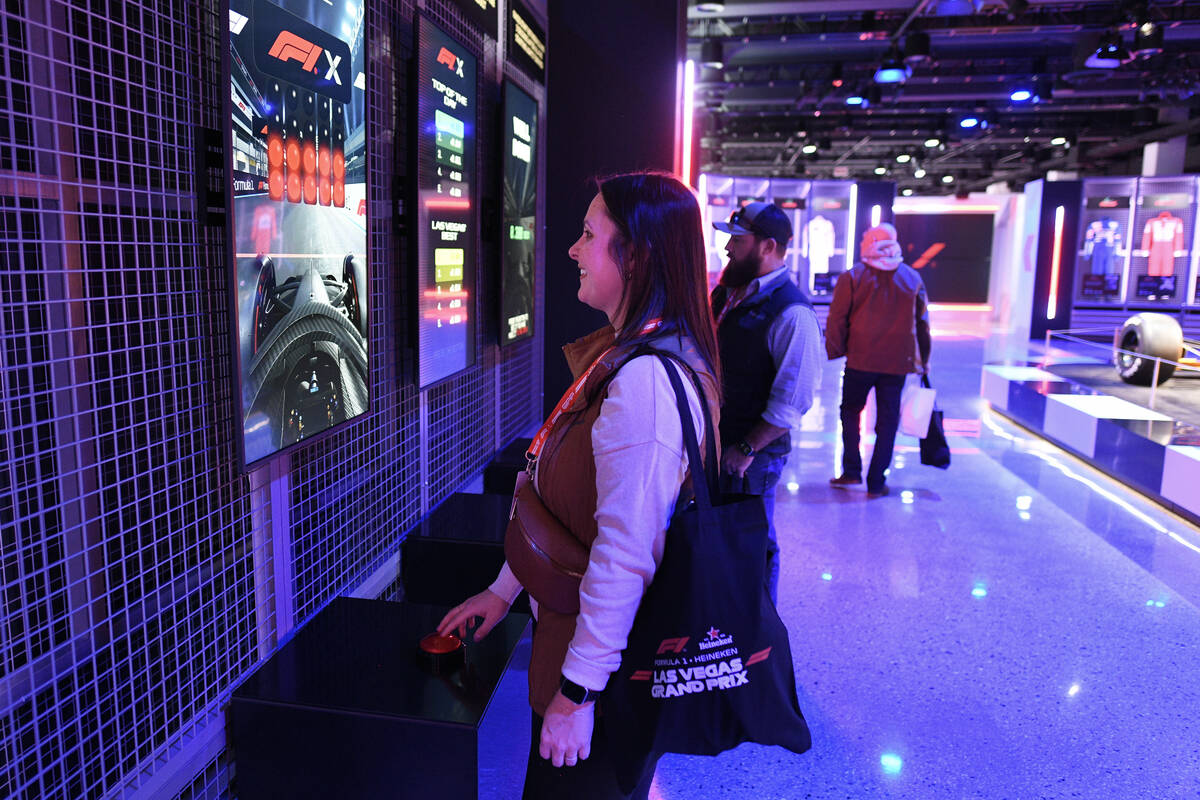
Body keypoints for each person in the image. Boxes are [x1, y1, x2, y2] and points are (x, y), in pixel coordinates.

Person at [438, 172, 721, 800]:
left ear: (637, 255)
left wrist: (576, 696)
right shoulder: (630, 355)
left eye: (590, 235)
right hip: (577, 652)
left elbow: (624, 554)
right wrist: (504, 591)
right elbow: (567, 516)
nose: (572, 249)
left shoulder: (646, 385)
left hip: (601, 676)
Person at [710, 202, 822, 604]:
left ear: (768, 246)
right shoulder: (728, 294)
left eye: (737, 241)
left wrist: (745, 448)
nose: (727, 249)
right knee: (720, 542)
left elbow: (792, 402)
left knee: (755, 546)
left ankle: (759, 637)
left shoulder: (792, 314)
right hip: (718, 447)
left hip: (751, 458)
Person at [825, 222, 932, 498]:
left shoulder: (853, 277)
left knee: (849, 412)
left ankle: (851, 471)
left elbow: (837, 318)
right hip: (897, 364)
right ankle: (876, 482)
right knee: (887, 422)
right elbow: (922, 324)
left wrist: (835, 349)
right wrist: (924, 358)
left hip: (860, 360)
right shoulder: (912, 278)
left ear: (872, 241)